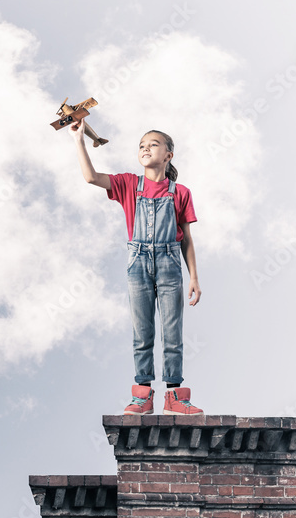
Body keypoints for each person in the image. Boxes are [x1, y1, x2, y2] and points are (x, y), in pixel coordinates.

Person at [71, 121, 203, 415]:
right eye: (142, 145)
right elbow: (91, 177)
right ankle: (143, 395)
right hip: (138, 263)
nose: (145, 148)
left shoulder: (180, 192)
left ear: (168, 155)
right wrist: (79, 139)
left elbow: (187, 239)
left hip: (170, 265)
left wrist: (193, 276)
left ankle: (175, 397)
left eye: (153, 144)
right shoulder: (129, 184)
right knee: (142, 333)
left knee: (173, 332)